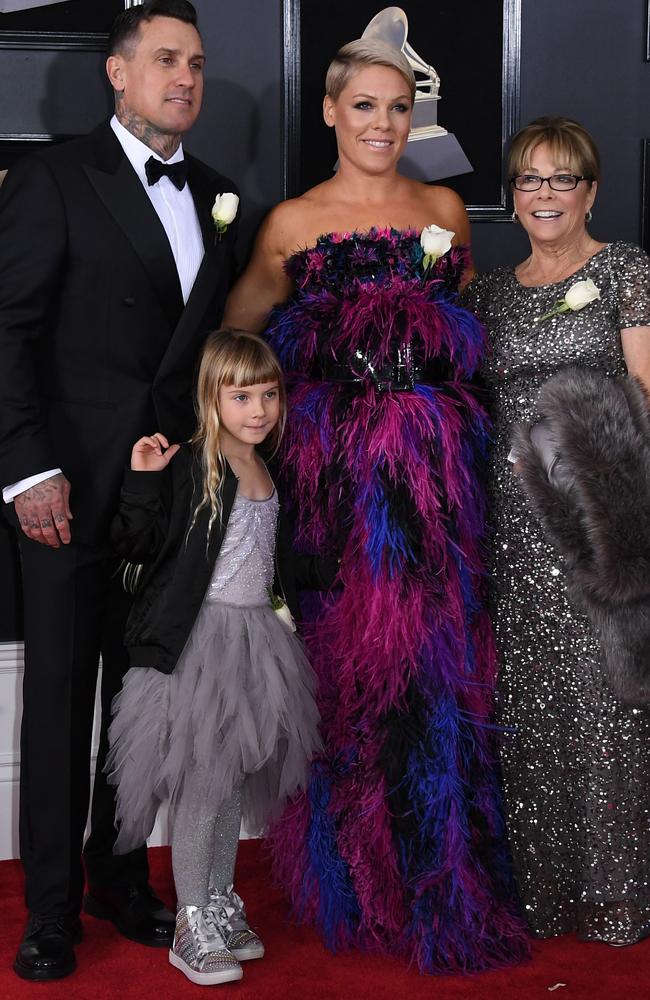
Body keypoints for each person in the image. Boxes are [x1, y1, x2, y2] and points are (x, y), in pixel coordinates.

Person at [224, 39, 529, 972]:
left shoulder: (442, 210)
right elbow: (237, 340)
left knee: (438, 673)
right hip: (339, 486)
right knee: (353, 674)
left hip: (436, 485)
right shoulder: (291, 222)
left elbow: (460, 334)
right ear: (329, 113)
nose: (384, 125)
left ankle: (440, 876)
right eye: (365, 107)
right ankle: (358, 877)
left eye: (399, 108)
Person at [0, 0, 239, 981]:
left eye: (196, 64)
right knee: (58, 695)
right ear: (117, 72)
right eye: (165, 60)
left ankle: (118, 875)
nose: (185, 78)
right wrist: (26, 468)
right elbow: (6, 329)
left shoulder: (221, 194)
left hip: (167, 492)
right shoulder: (55, 177)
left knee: (139, 702)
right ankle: (50, 909)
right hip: (65, 485)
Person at [462, 116, 650, 944]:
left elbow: (647, 390)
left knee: (605, 697)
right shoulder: (490, 292)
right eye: (530, 180)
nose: (544, 194)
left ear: (590, 192)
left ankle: (619, 886)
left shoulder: (625, 271)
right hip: (512, 528)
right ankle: (546, 888)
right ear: (512, 197)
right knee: (531, 699)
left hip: (594, 521)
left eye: (562, 178)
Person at [105, 328, 335, 986]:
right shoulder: (192, 462)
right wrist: (140, 483)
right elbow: (137, 544)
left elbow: (276, 558)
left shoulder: (270, 465)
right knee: (204, 788)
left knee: (231, 783)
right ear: (212, 399)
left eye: (268, 395)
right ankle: (189, 921)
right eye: (241, 397)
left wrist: (340, 565)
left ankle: (218, 898)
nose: (258, 410)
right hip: (198, 646)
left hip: (257, 642)